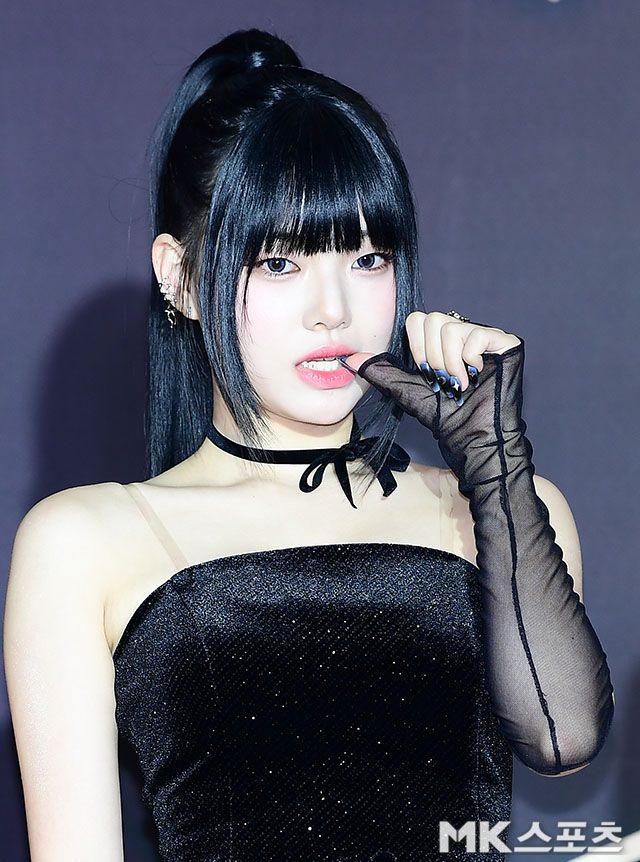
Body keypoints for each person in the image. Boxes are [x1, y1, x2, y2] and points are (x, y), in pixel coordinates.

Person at [3, 27, 615, 862]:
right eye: (280, 263)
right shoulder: (84, 542)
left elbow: (563, 740)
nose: (335, 310)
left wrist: (497, 473)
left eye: (368, 257)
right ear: (180, 278)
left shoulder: (506, 510)